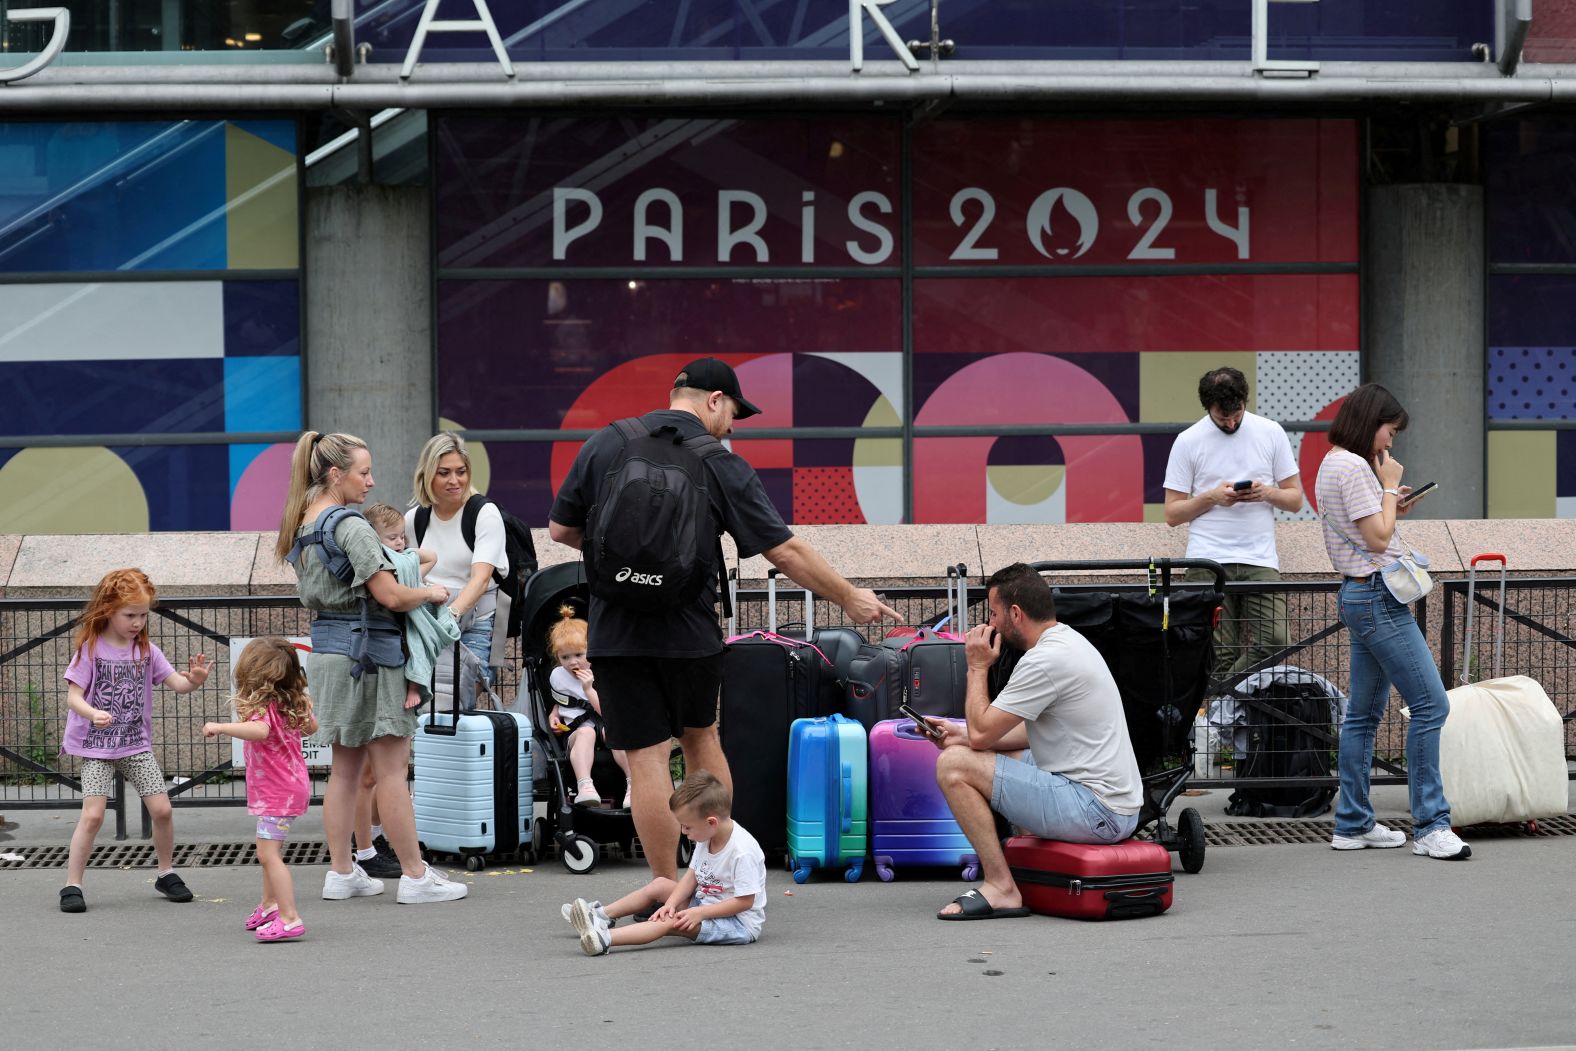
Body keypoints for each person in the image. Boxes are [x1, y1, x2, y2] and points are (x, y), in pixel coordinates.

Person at [548, 357, 900, 883]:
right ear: (714, 400)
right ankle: (713, 876)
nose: (732, 426)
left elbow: (559, 529)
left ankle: (665, 887)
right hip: (688, 631)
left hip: (617, 631)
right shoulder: (717, 460)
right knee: (700, 742)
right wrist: (847, 596)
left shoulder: (607, 442)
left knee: (645, 760)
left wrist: (626, 566)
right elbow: (784, 550)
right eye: (733, 412)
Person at [276, 430, 468, 904]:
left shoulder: (302, 522)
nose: (371, 480)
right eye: (364, 472)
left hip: (328, 654)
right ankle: (415, 876)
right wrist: (433, 592)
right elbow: (391, 596)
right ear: (336, 474)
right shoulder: (351, 526)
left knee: (342, 772)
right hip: (373, 657)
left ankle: (342, 872)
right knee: (392, 771)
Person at [924, 562, 1144, 920]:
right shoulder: (1068, 641)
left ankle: (1001, 886)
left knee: (953, 766)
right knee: (999, 750)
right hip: (1112, 805)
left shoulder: (1045, 660)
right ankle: (1030, 864)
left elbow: (983, 732)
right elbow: (1019, 733)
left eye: (993, 614)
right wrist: (959, 734)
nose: (991, 624)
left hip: (1096, 811)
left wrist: (977, 667)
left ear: (1015, 613)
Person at [1315, 383, 1470, 860]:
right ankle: (1431, 825)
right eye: (1389, 431)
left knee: (1362, 716)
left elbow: (1369, 529)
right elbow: (1380, 541)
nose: (1390, 443)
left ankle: (1354, 823)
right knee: (1431, 706)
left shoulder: (1331, 462)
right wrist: (1386, 488)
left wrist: (1390, 502)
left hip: (1359, 594)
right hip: (1378, 598)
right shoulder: (1358, 467)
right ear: (1371, 422)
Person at [57, 568, 212, 914]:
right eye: (130, 615)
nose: (138, 622)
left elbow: (178, 684)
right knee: (93, 816)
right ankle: (72, 883)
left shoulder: (146, 651)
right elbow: (73, 697)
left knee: (162, 809)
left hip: (135, 745)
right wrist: (92, 712)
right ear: (107, 610)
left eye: (143, 615)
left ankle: (166, 872)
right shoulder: (90, 649)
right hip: (96, 748)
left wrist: (196, 681)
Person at [1163, 367, 1304, 682]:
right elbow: (1172, 514)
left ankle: (1218, 701)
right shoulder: (1188, 441)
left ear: (1245, 401)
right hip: (1207, 559)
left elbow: (1295, 500)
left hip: (1260, 558)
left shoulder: (1270, 432)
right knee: (1216, 653)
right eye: (1221, 418)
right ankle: (1222, 725)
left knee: (1275, 642)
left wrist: (1265, 492)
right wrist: (1212, 497)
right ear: (1207, 408)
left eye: (1236, 415)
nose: (1231, 423)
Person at [562, 770, 765, 956]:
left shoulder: (742, 851)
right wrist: (671, 904)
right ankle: (601, 915)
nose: (684, 832)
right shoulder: (708, 835)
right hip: (706, 905)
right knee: (660, 885)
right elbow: (692, 876)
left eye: (687, 827)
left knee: (669, 921)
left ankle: (604, 939)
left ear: (711, 822)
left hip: (737, 923)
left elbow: (745, 902)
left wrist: (699, 912)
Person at [201, 637, 319, 942]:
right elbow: (311, 728)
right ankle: (270, 905)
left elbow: (260, 731)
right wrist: (301, 708)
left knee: (268, 855)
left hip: (278, 792)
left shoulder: (267, 706)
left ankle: (290, 917)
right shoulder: (289, 702)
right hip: (287, 788)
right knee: (268, 850)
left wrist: (221, 727)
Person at [405, 432, 508, 712]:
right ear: (428, 476)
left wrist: (451, 615)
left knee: (455, 708)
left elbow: (482, 576)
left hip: (478, 622)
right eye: (444, 473)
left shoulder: (484, 513)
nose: (455, 481)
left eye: (461, 472)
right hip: (429, 623)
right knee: (426, 711)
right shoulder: (415, 519)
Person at [545, 605, 631, 809]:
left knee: (614, 732)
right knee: (586, 733)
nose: (572, 662)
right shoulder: (558, 676)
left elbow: (607, 712)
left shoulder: (600, 672)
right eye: (565, 657)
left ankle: (633, 784)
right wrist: (554, 714)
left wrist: (589, 689)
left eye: (578, 655)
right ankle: (585, 786)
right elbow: (562, 700)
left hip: (605, 724)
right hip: (576, 731)